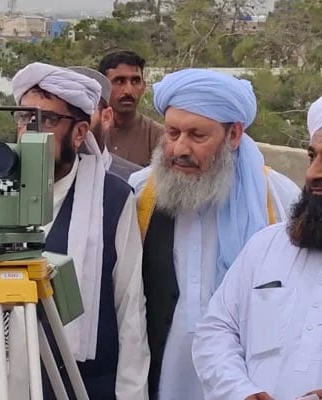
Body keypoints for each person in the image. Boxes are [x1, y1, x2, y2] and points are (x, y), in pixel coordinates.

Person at [0, 62, 149, 400]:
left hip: (64, 383)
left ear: (79, 133)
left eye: (46, 120)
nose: (29, 131)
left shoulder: (113, 199)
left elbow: (130, 315)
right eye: (24, 118)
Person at [129, 68, 300, 400]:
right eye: (173, 132)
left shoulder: (278, 199)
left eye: (197, 135)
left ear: (234, 135)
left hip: (248, 383)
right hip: (161, 378)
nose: (179, 148)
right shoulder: (140, 194)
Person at [192, 95, 322, 400]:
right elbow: (216, 330)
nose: (314, 173)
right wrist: (242, 392)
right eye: (312, 156)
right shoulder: (267, 245)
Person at [68, 66, 142, 181]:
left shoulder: (135, 181)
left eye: (82, 112)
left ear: (106, 117)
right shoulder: (40, 178)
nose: (69, 123)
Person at [98, 51, 163, 167]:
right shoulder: (89, 132)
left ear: (143, 87)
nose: (128, 90)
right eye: (119, 81)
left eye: (135, 81)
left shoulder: (158, 137)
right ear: (103, 87)